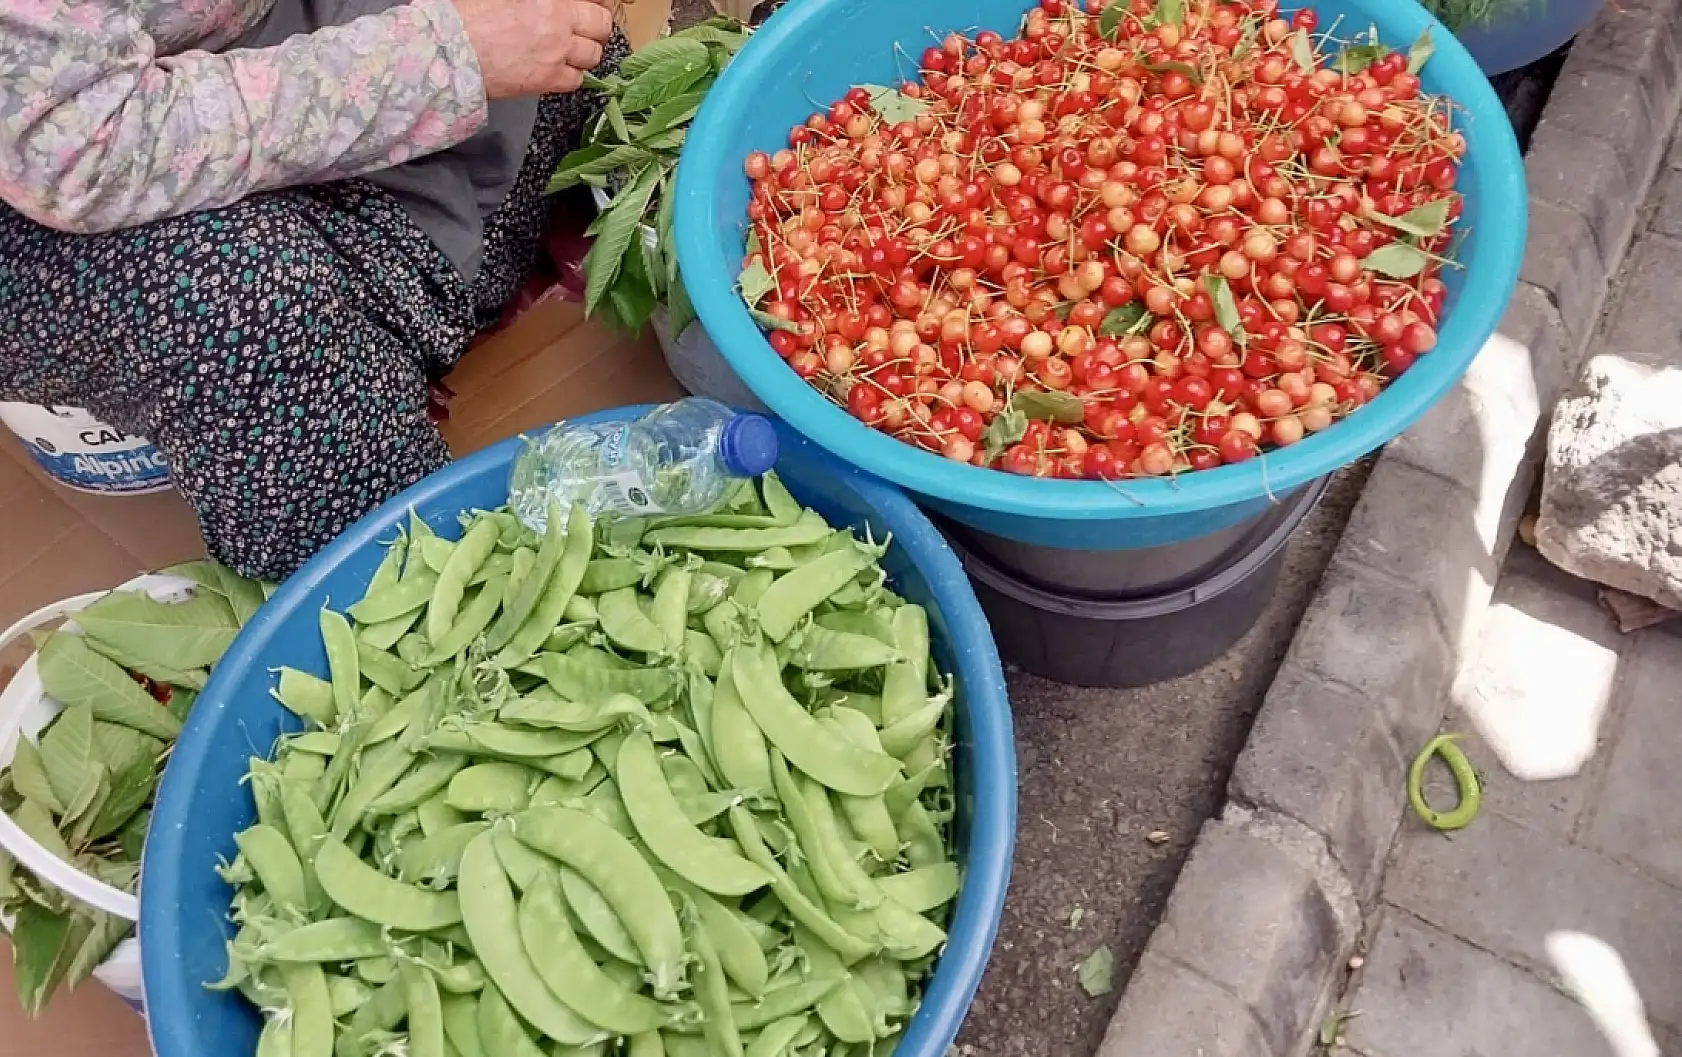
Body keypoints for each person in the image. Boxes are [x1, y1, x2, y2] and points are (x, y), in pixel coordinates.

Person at [0, 0, 626, 580]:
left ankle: (451, 278)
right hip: (58, 162)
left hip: (216, 30)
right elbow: (82, 150)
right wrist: (441, 60)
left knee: (578, 72)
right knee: (241, 296)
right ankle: (394, 599)